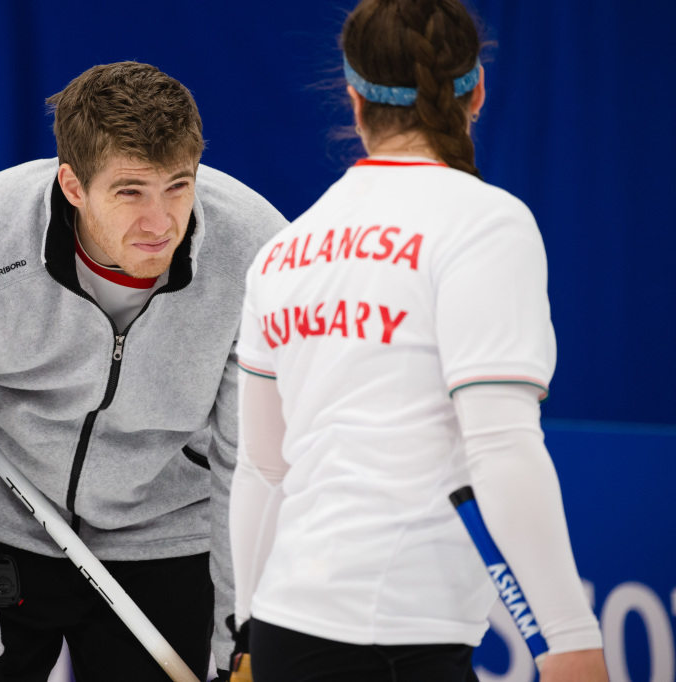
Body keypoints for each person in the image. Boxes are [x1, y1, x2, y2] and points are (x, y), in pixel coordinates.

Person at [228, 1, 609, 680]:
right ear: (478, 92)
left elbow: (263, 466)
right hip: (400, 632)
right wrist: (570, 637)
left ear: (353, 101)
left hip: (288, 624)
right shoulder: (486, 224)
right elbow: (501, 443)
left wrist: (248, 634)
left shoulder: (283, 252)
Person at [0, 61, 287, 681]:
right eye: (130, 192)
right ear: (73, 186)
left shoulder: (255, 251)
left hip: (165, 536)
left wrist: (247, 637)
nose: (161, 223)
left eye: (179, 186)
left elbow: (252, 466)